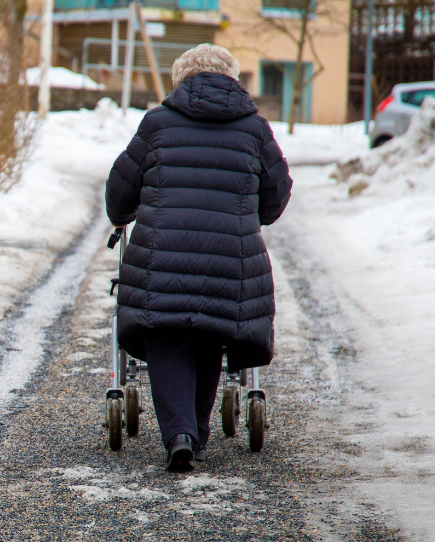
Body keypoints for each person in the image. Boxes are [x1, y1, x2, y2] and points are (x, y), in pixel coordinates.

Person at [104, 44, 293, 472]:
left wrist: (121, 216)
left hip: (161, 258)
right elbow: (276, 196)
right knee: (210, 332)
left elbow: (121, 189)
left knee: (167, 334)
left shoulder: (157, 124)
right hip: (228, 260)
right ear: (233, 79)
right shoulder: (255, 129)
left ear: (180, 79)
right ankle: (197, 433)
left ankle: (180, 434)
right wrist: (251, 216)